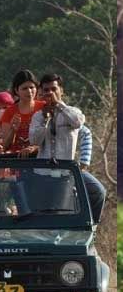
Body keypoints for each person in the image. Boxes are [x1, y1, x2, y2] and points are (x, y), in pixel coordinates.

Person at [28, 73, 106, 222]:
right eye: (46, 90)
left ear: (61, 91)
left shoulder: (71, 112)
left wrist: (59, 105)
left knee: (96, 193)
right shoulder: (38, 116)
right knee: (46, 216)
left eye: (53, 89)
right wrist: (45, 120)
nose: (50, 93)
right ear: (41, 93)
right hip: (42, 173)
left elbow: (78, 122)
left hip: (65, 173)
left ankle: (91, 227)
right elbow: (34, 140)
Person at [0, 69, 44, 156]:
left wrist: (35, 148)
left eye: (32, 87)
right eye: (24, 88)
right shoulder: (9, 112)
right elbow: (5, 146)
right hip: (18, 162)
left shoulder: (44, 108)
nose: (29, 91)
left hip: (41, 161)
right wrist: (13, 130)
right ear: (16, 90)